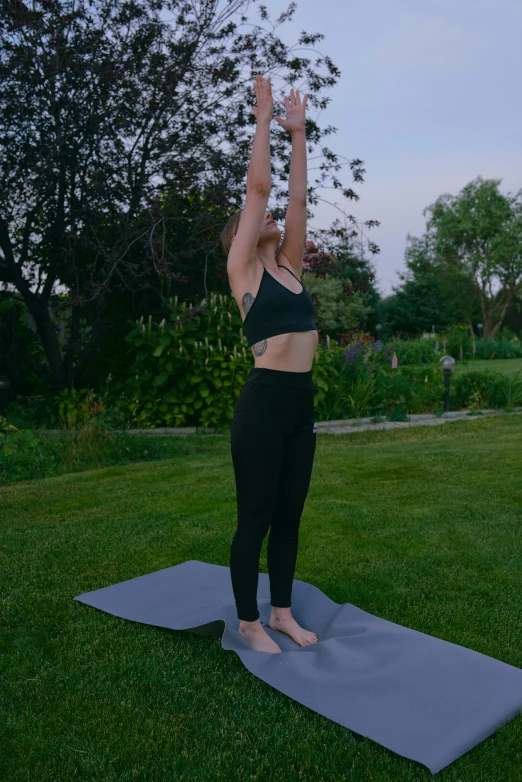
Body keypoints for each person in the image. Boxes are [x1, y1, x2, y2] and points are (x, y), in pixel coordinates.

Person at [221, 75, 319, 653]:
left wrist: (299, 135)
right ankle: (249, 623)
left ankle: (281, 612)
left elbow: (295, 199)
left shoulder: (287, 267)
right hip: (261, 408)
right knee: (254, 517)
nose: (267, 216)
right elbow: (259, 190)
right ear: (241, 236)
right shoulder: (246, 272)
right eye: (254, 218)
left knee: (289, 516)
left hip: (299, 405)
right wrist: (263, 122)